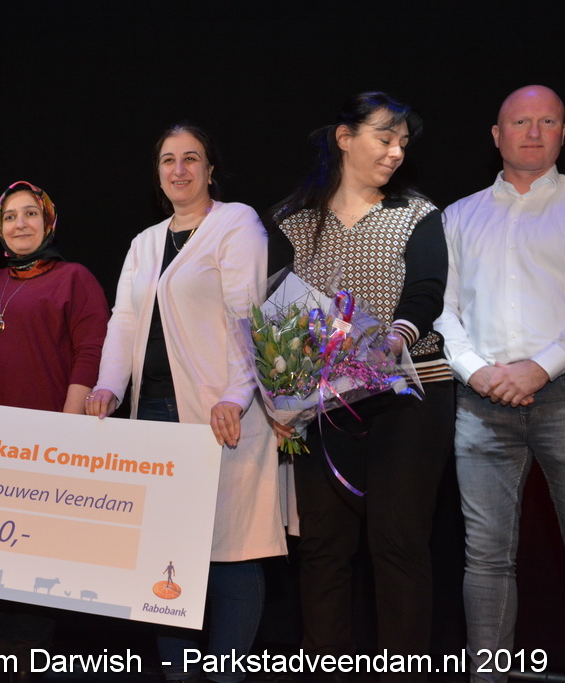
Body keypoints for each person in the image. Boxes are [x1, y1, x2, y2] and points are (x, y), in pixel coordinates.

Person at [85, 123, 290, 683]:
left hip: (219, 415)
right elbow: (124, 320)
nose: (179, 170)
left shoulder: (235, 222)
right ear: (158, 173)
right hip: (153, 417)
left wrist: (236, 395)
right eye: (168, 160)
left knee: (229, 553)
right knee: (165, 557)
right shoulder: (144, 242)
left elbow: (247, 312)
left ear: (210, 168)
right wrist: (108, 387)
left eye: (191, 158)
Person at [267, 92, 454, 682]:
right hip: (325, 401)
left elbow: (426, 289)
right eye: (385, 138)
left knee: (397, 542)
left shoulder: (418, 214)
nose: (396, 152)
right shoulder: (293, 220)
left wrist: (395, 337)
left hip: (408, 392)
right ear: (344, 138)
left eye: (403, 143)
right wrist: (281, 392)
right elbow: (275, 311)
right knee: (323, 546)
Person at [434, 84, 565, 683]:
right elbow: (443, 310)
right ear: (496, 135)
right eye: (520, 122)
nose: (533, 132)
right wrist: (478, 370)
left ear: (562, 133)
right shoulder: (458, 216)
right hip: (480, 404)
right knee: (486, 560)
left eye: (547, 121)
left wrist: (543, 365)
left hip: (561, 396)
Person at [0, 180, 110, 680]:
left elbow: (91, 350)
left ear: (49, 222)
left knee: (32, 558)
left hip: (44, 443)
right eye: (10, 216)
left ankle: (28, 660)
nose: (20, 223)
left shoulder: (74, 278)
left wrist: (65, 430)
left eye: (30, 214)